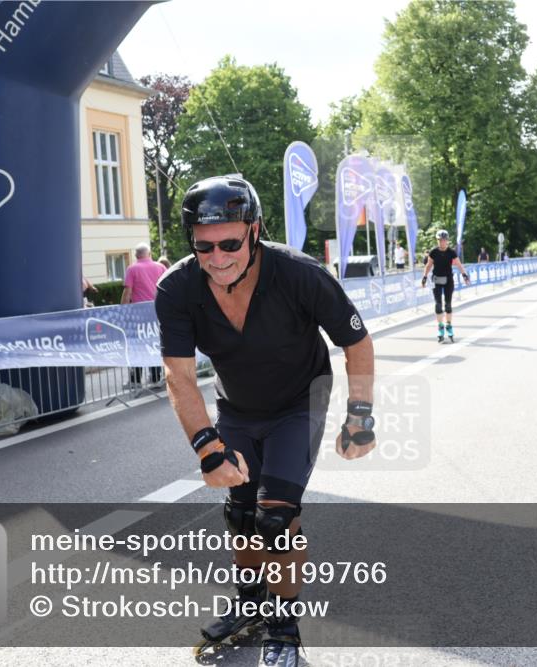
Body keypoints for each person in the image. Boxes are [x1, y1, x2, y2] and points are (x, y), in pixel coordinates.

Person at [155, 175, 375, 666]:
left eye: (229, 242)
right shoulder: (177, 287)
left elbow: (356, 342)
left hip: (300, 403)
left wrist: (359, 414)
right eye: (204, 246)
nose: (216, 258)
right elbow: (178, 374)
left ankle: (284, 628)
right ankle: (251, 605)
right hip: (237, 408)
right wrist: (207, 447)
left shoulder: (300, 275)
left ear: (254, 231)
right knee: (240, 514)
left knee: (275, 518)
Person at [122, 242, 165, 387]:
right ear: (150, 254)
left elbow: (127, 292)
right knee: (154, 344)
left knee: (136, 346)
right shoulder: (160, 267)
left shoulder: (132, 269)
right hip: (157, 312)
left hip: (138, 316)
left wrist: (122, 311)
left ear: (135, 255)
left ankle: (135, 380)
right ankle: (155, 378)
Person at [421, 230, 470, 343]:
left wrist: (464, 275)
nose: (442, 242)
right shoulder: (433, 252)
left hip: (448, 280)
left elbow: (458, 264)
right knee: (438, 305)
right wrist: (424, 277)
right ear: (437, 241)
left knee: (448, 304)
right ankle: (440, 327)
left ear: (447, 241)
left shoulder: (451, 252)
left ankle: (449, 325)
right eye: (440, 240)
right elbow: (428, 265)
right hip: (436, 280)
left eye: (444, 240)